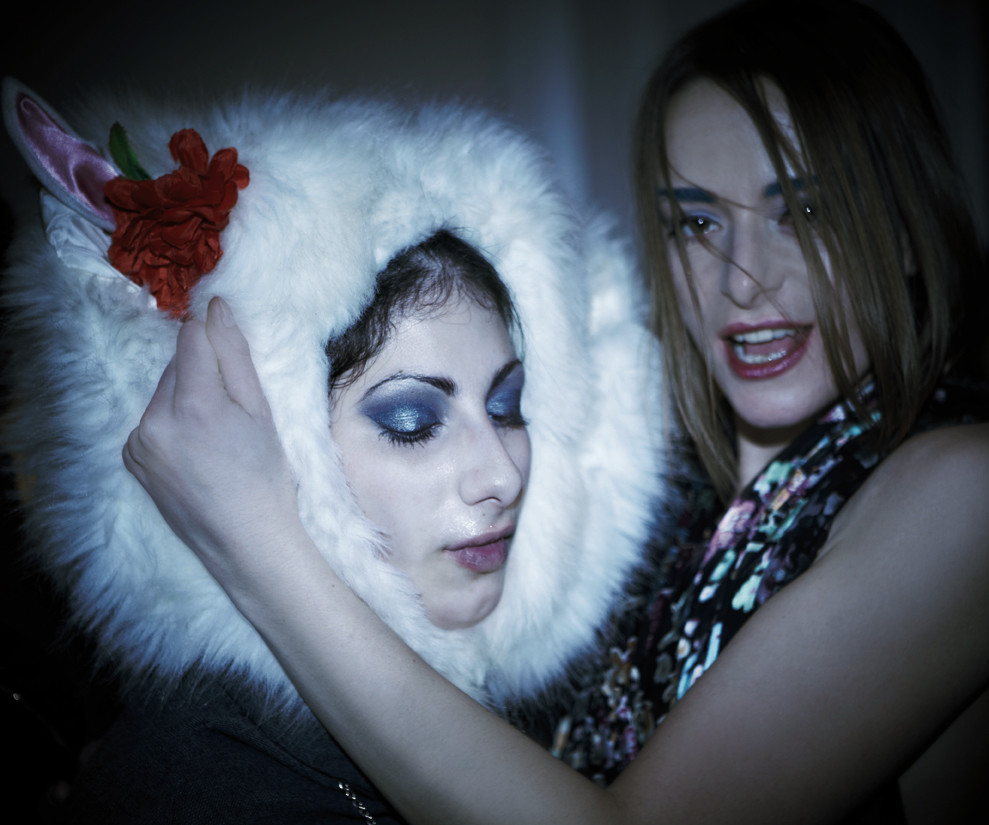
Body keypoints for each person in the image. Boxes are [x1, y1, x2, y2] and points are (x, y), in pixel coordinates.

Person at [118, 1, 989, 823]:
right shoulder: (649, 480)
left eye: (801, 211)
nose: (742, 277)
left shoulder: (965, 490)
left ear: (905, 228)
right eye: (696, 223)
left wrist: (256, 544)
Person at [0, 81, 663, 821]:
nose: (503, 474)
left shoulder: (531, 722)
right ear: (287, 451)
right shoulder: (191, 786)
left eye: (507, 407)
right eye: (412, 421)